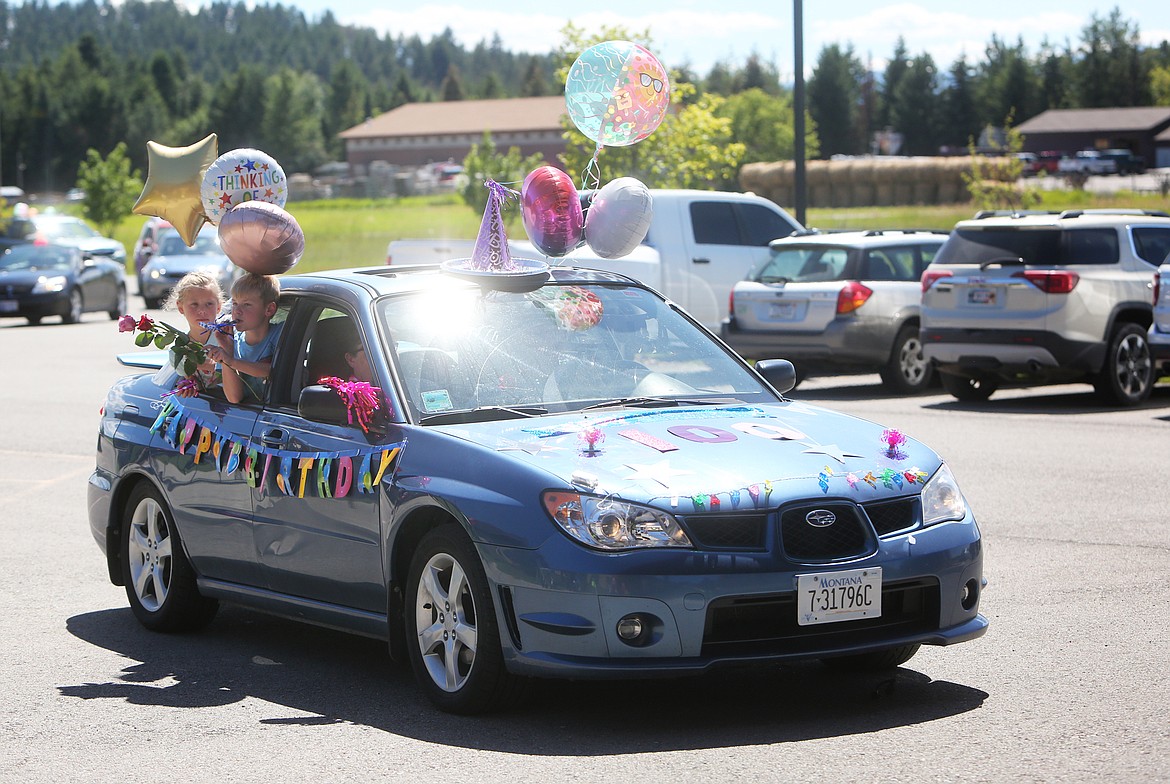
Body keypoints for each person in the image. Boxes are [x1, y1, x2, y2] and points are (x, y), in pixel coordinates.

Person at [208, 273, 282, 403]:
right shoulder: (233, 340)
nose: (237, 311)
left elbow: (273, 370)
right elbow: (234, 397)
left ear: (269, 309)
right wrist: (227, 349)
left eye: (247, 304)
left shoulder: (280, 334)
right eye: (235, 303)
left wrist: (230, 360)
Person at [157, 271, 225, 397]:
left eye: (209, 304)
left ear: (219, 306)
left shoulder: (228, 337)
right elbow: (196, 383)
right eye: (194, 304)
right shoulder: (178, 351)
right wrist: (189, 386)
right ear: (181, 307)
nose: (202, 311)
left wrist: (214, 366)